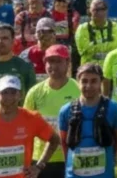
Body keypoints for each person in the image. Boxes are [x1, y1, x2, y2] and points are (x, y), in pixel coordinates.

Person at [58, 63, 117, 178]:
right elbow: (64, 144)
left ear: (101, 82)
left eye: (94, 81)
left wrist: (113, 161)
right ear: (78, 83)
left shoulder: (115, 109)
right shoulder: (65, 111)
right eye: (84, 81)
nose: (88, 85)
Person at [23, 44, 80, 178]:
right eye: (50, 61)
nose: (53, 66)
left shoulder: (78, 89)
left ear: (68, 63)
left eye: (58, 61)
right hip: (40, 158)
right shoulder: (35, 92)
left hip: (70, 156)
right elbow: (26, 127)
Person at [75, 0, 117, 66]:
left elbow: (116, 46)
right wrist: (107, 48)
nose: (100, 12)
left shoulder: (115, 27)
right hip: (90, 69)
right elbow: (84, 49)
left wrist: (95, 48)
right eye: (96, 10)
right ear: (89, 11)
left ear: (107, 10)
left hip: (111, 67)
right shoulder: (82, 28)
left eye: (102, 9)